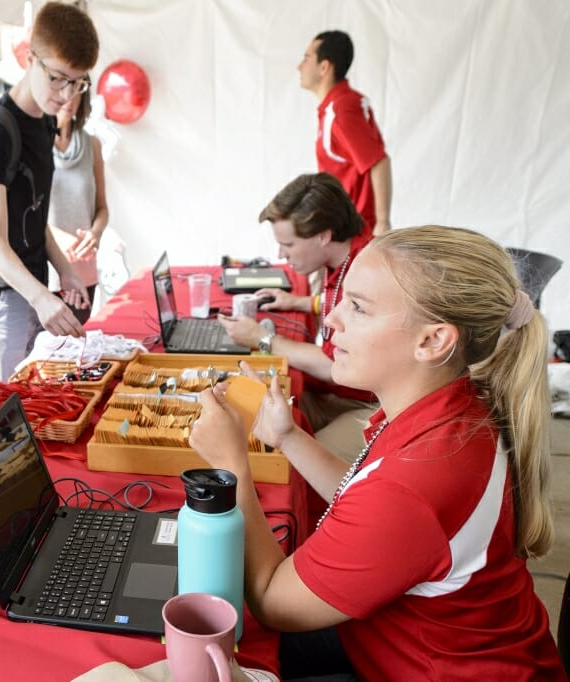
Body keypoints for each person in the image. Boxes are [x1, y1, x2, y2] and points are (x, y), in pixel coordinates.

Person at [191, 225, 563, 679]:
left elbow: (273, 602)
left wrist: (232, 468)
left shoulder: (419, 481)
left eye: (359, 308)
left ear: (432, 341)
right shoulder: (449, 404)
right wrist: (288, 437)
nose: (331, 321)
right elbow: (362, 493)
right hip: (402, 639)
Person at [0, 1, 99, 380]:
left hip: (35, 286)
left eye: (78, 82)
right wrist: (40, 296)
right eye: (58, 78)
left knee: (32, 402)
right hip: (2, 296)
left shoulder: (44, 126)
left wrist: (66, 271)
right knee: (0, 414)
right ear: (28, 56)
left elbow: (33, 215)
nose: (67, 94)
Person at [219, 173, 377, 460]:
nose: (281, 254)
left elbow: (334, 365)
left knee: (287, 460)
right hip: (340, 392)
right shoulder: (345, 255)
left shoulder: (365, 274)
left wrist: (261, 338)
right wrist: (301, 302)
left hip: (369, 406)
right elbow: (339, 307)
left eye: (289, 245)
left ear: (323, 235)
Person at [299, 30, 392, 237]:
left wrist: (383, 222)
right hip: (343, 225)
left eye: (306, 58)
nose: (300, 66)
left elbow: (378, 162)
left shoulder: (341, 110)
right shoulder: (339, 105)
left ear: (324, 67)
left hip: (354, 232)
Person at [47, 86, 108, 324]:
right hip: (47, 270)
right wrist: (59, 239)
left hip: (84, 269)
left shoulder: (92, 145)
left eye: (77, 89)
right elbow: (25, 213)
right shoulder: (36, 145)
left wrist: (95, 233)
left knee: (78, 346)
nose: (69, 97)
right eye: (62, 86)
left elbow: (102, 208)